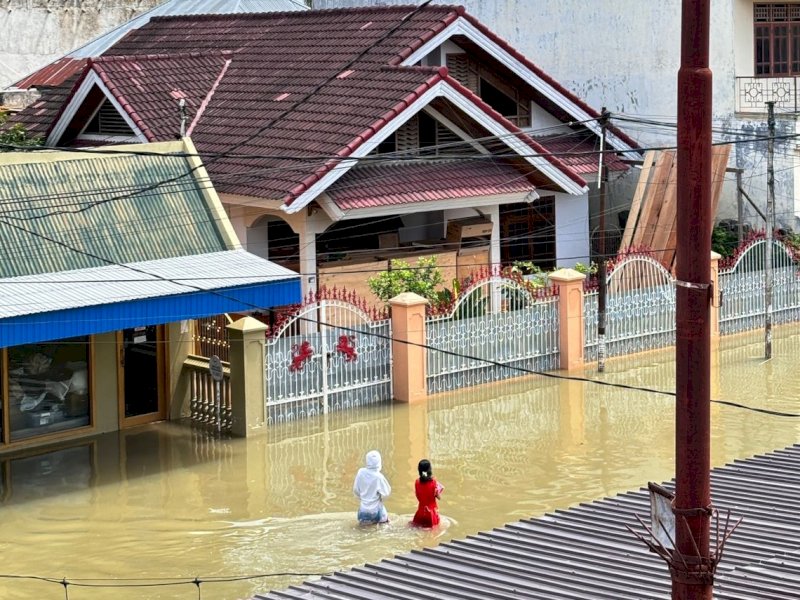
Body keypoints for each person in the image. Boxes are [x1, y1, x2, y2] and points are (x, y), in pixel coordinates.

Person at [352, 450, 391, 524]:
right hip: (376, 511)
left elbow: (355, 490)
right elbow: (386, 493)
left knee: (362, 530)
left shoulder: (360, 472)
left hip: (363, 510)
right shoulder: (379, 477)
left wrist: (363, 498)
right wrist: (380, 499)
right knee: (386, 523)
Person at [412, 458, 444, 528]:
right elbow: (439, 497)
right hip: (432, 514)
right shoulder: (434, 482)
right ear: (430, 470)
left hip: (420, 511)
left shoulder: (417, 482)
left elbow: (418, 496)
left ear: (419, 470)